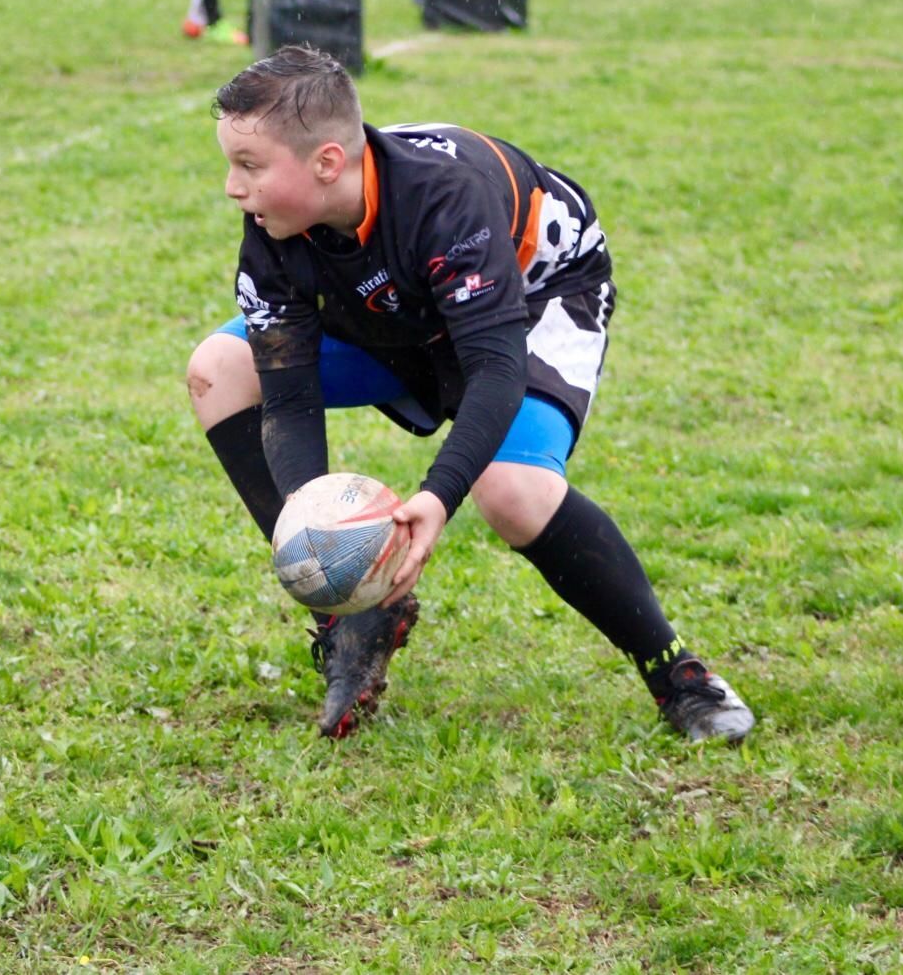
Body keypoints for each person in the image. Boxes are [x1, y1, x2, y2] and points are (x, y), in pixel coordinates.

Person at [187, 45, 756, 744]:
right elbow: (290, 395)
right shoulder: (274, 225)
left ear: (327, 163)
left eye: (248, 166)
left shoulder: (443, 198)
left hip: (535, 299)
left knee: (511, 491)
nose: (231, 187)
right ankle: (353, 620)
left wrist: (435, 496)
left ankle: (677, 674)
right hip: (394, 307)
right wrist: (329, 551)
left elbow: (492, 366)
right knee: (219, 367)